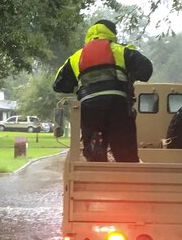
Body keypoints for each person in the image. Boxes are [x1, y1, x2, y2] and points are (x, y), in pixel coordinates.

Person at [52, 19, 153, 162]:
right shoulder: (122, 51)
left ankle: (97, 177)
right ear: (112, 33)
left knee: (95, 156)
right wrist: (130, 76)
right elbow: (146, 69)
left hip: (90, 112)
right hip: (118, 109)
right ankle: (128, 181)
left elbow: (58, 85)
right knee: (126, 157)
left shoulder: (76, 57)